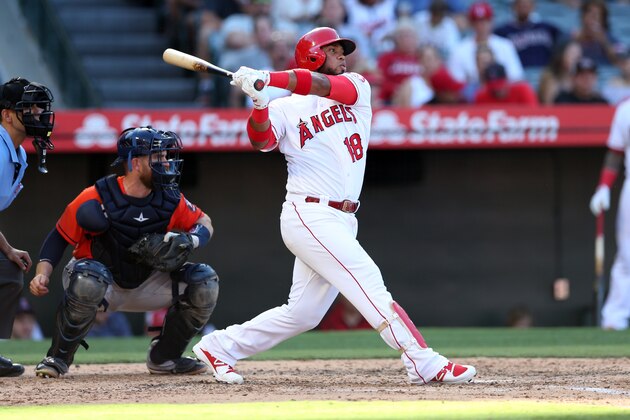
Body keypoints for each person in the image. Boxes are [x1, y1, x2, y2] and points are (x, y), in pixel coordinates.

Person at [192, 26, 477, 385]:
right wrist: (260, 102)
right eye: (333, 50)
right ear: (312, 54)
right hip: (308, 212)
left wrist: (269, 77)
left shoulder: (357, 87)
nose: (343, 55)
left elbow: (321, 86)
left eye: (343, 50)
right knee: (370, 283)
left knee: (303, 314)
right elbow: (261, 142)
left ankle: (220, 346)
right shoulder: (285, 107)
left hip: (343, 217)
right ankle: (422, 361)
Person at [28, 126, 219, 378]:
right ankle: (57, 358)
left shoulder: (170, 198)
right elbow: (58, 237)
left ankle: (165, 358)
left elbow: (205, 222)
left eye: (166, 156)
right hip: (97, 281)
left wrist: (192, 239)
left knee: (205, 282)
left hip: (146, 282)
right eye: (159, 157)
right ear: (136, 163)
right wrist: (42, 273)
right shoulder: (97, 195)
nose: (167, 162)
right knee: (89, 279)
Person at [0, 77, 55, 377]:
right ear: (7, 114)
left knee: (7, 270)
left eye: (39, 106)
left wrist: (7, 248)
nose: (38, 113)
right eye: (29, 107)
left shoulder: (17, 152)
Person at [589, 97, 630, 330]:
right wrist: (604, 186)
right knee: (627, 254)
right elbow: (615, 152)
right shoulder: (625, 110)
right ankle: (615, 316)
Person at [447, 1, 524, 85]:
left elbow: (516, 78)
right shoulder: (459, 49)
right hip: (472, 96)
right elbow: (456, 83)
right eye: (477, 21)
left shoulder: (505, 45)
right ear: (471, 24)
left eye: (485, 21)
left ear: (492, 21)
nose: (481, 25)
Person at [493, 0, 562, 68]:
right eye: (521, 5)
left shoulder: (546, 27)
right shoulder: (502, 31)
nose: (524, 8)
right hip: (520, 73)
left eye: (527, 5)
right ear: (513, 7)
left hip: (545, 72)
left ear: (533, 6)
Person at [537, 39, 583, 104]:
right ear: (561, 55)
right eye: (572, 54)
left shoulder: (580, 79)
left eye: (578, 56)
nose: (576, 60)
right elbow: (548, 106)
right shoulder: (550, 78)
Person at [474, 63, 538, 105]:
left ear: (507, 79)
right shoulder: (481, 96)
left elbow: (534, 114)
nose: (498, 91)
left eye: (500, 86)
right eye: (494, 88)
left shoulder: (522, 90)